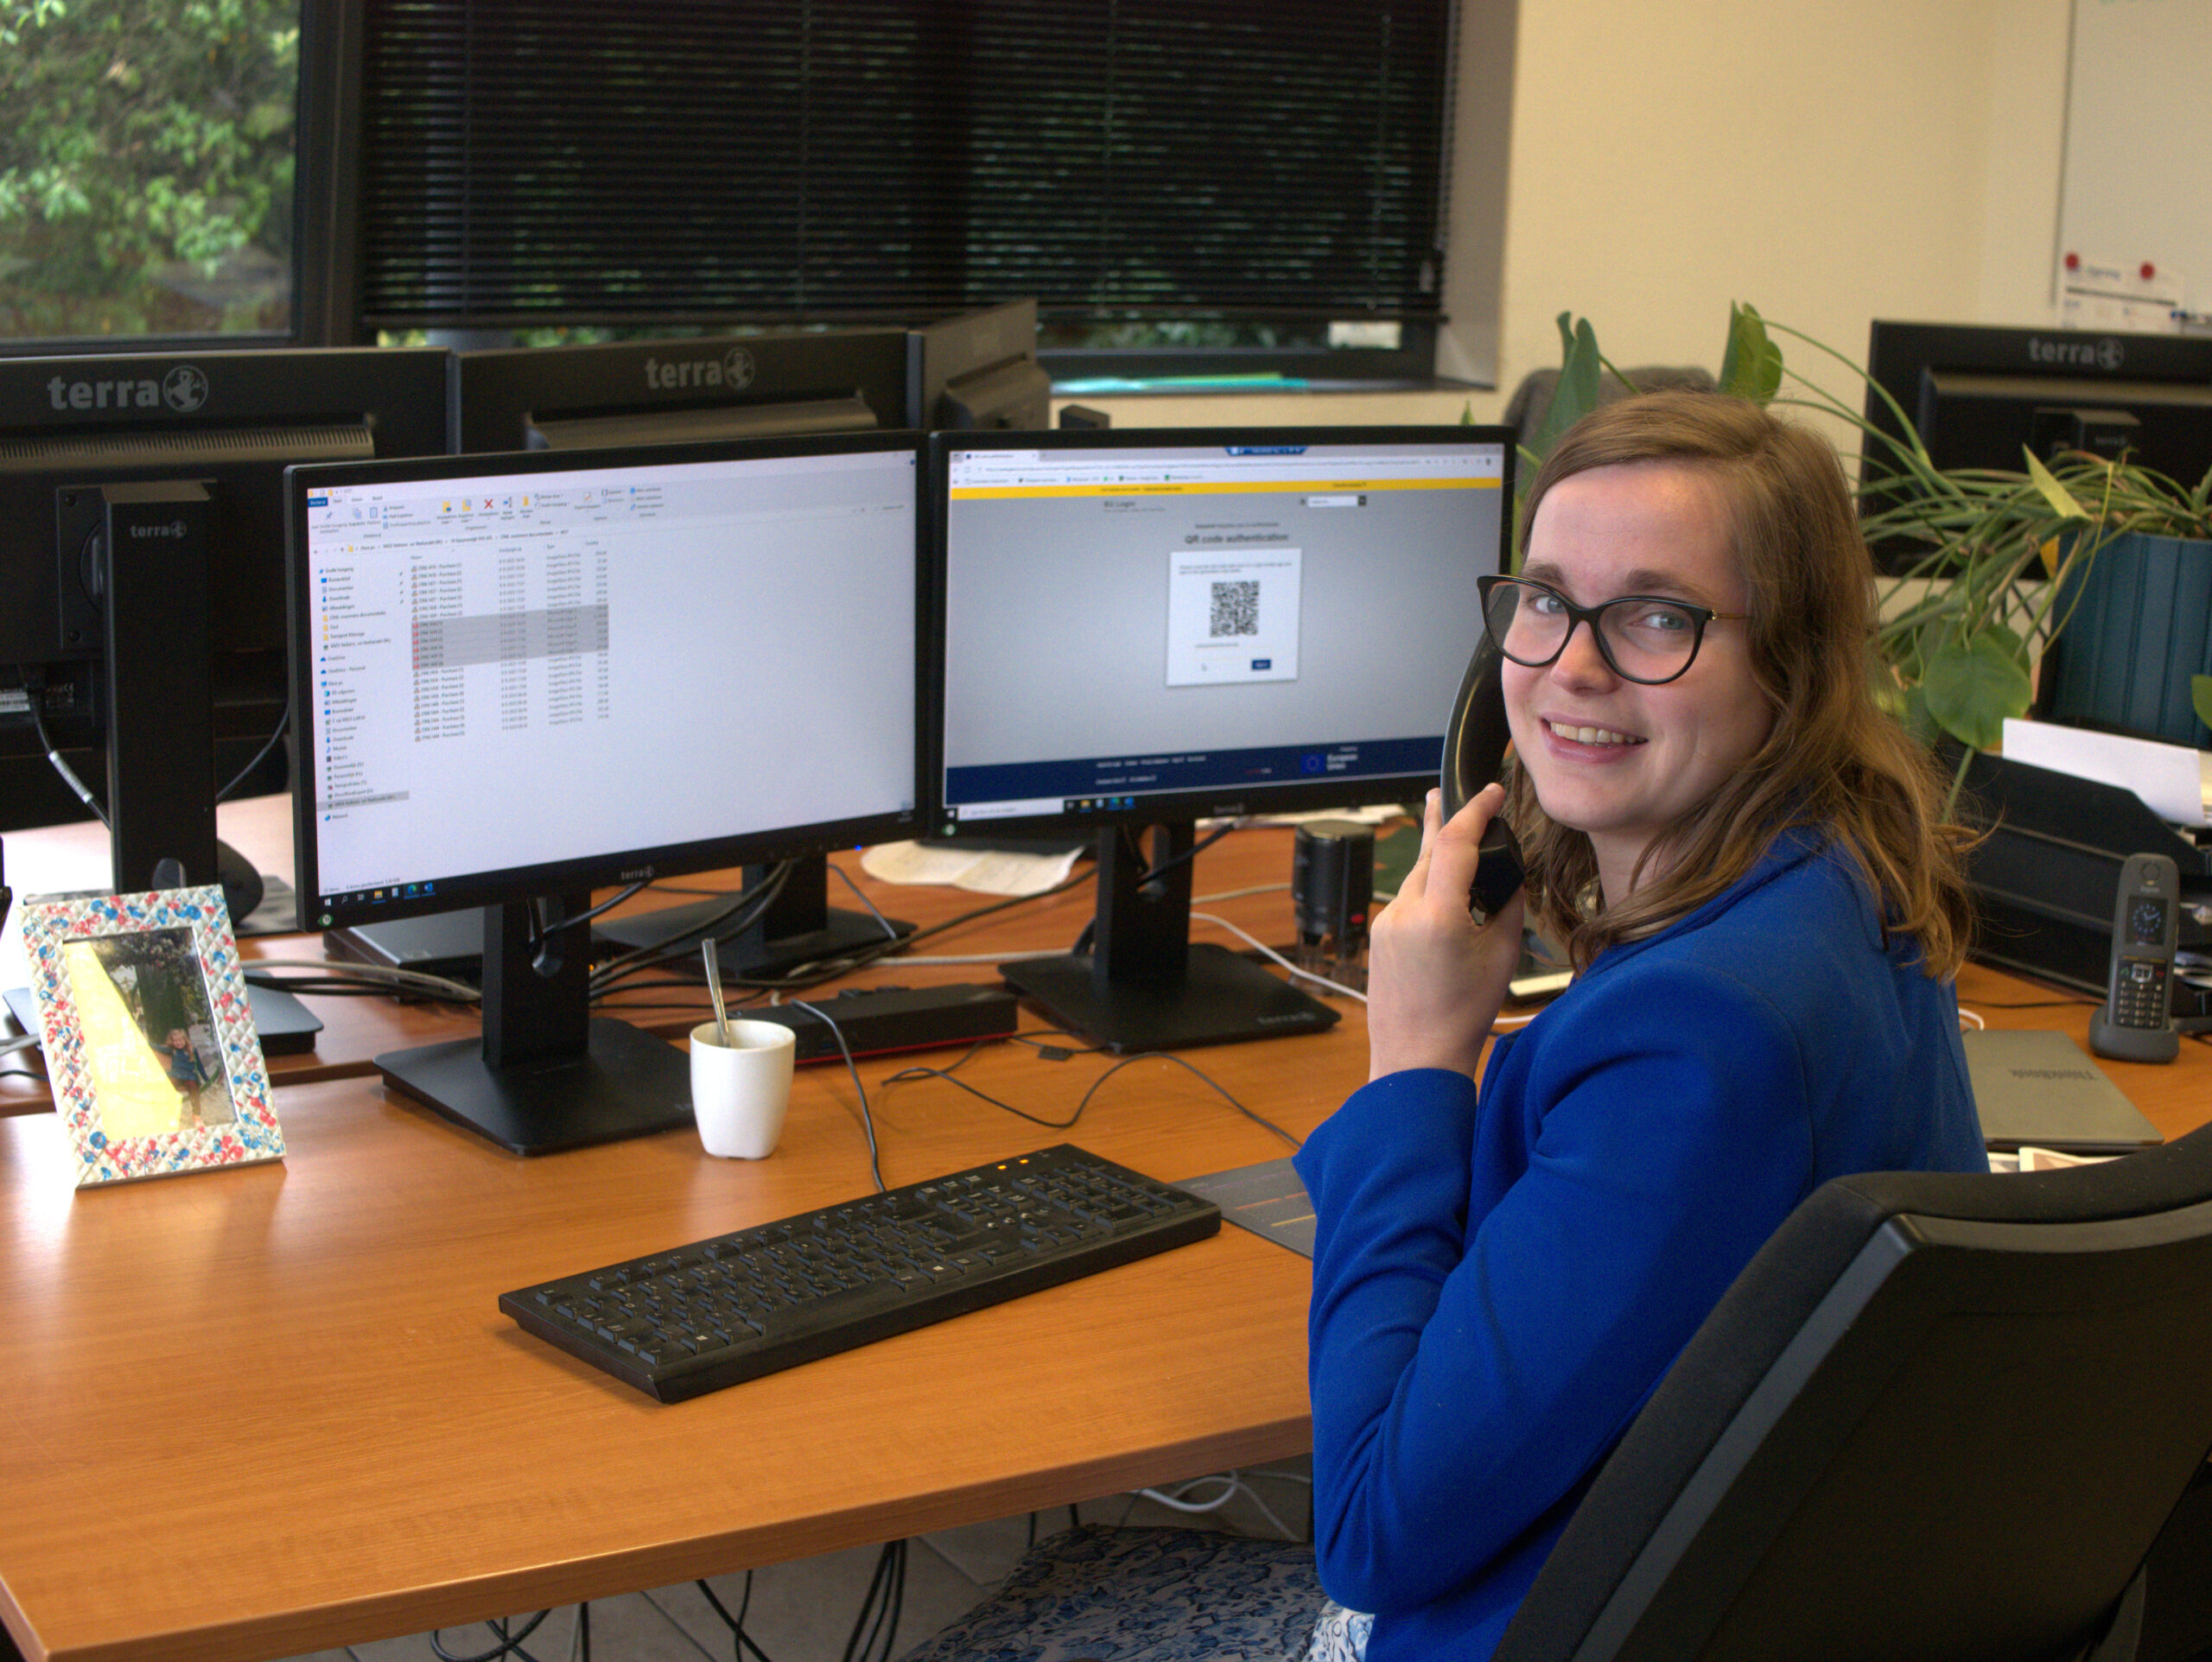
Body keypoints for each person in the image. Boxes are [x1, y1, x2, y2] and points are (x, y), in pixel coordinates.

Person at [1292, 390, 1986, 1661]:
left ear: (1794, 667)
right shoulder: (1846, 885)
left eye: (1658, 616)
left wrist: (1415, 1068)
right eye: (1546, 601)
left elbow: (1370, 1530)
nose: (1572, 666)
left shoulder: (1692, 1038)